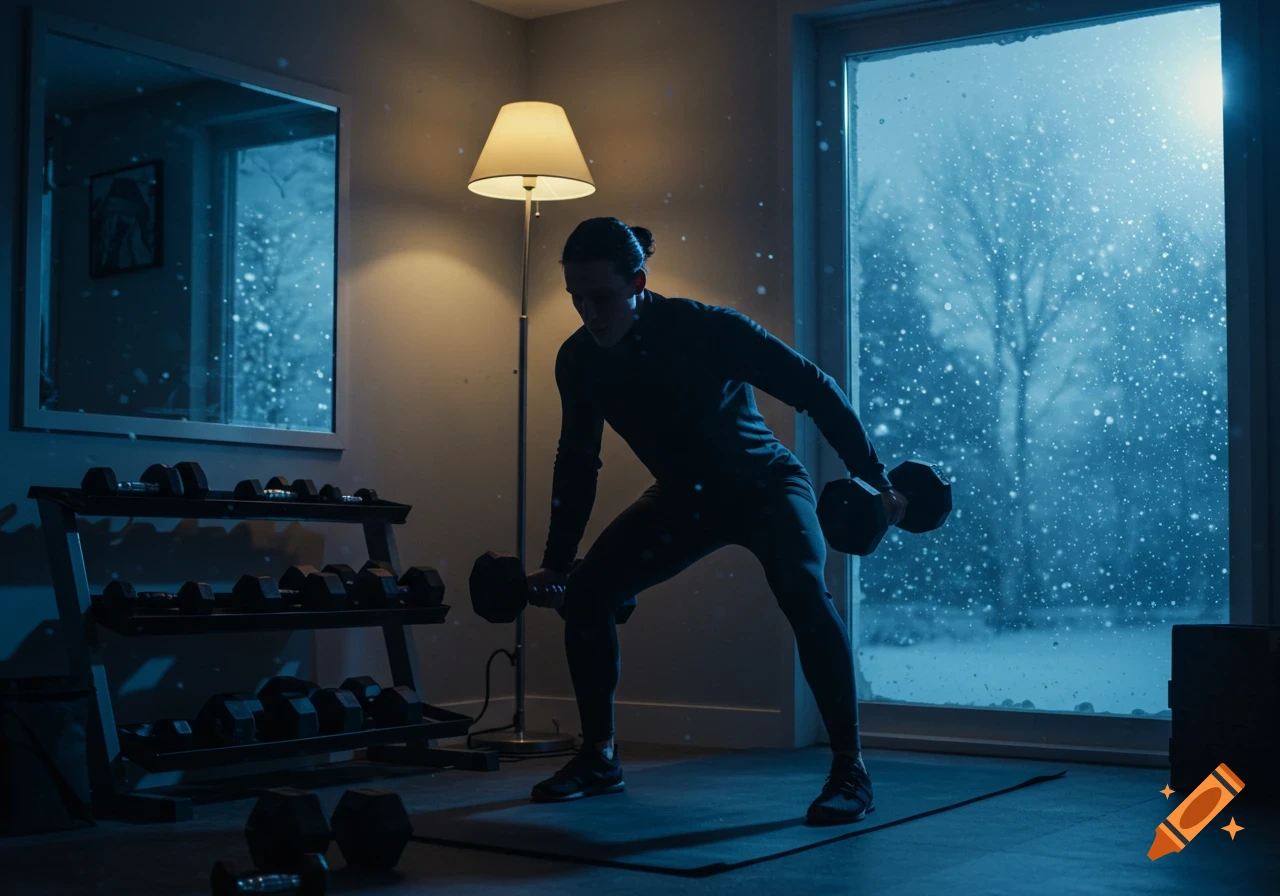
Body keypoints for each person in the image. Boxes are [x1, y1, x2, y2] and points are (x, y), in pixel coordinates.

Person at [527, 217, 907, 825]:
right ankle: (599, 757)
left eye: (602, 296)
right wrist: (554, 559)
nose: (590, 313)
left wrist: (877, 477)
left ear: (638, 282)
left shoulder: (705, 329)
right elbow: (577, 461)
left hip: (765, 487)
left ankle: (850, 768)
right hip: (683, 500)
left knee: (805, 593)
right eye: (577, 298)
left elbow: (815, 388)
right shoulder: (578, 361)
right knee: (590, 593)